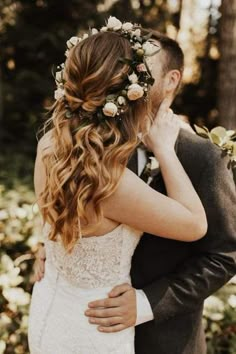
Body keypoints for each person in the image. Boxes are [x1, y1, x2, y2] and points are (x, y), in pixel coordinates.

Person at [28, 18, 208, 354]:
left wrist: (47, 248)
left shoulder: (51, 144)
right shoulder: (109, 180)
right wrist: (166, 152)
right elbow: (195, 225)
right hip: (93, 331)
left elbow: (56, 213)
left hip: (50, 313)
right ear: (130, 91)